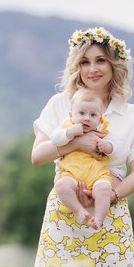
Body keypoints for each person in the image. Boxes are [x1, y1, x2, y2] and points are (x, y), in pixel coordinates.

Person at [31, 27, 134, 267]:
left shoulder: (132, 114)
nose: (92, 69)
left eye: (100, 60)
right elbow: (37, 155)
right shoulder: (60, 104)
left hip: (109, 211)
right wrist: (77, 142)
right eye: (84, 62)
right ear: (76, 67)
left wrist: (111, 196)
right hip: (66, 210)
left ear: (114, 65)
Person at [51, 89, 116, 229]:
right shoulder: (67, 126)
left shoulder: (102, 131)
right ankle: (78, 210)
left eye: (93, 115)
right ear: (71, 115)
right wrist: (69, 133)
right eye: (81, 113)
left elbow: (118, 148)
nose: (87, 118)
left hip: (97, 175)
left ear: (99, 118)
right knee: (61, 186)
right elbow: (55, 139)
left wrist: (107, 146)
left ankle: (98, 219)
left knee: (105, 189)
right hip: (72, 174)